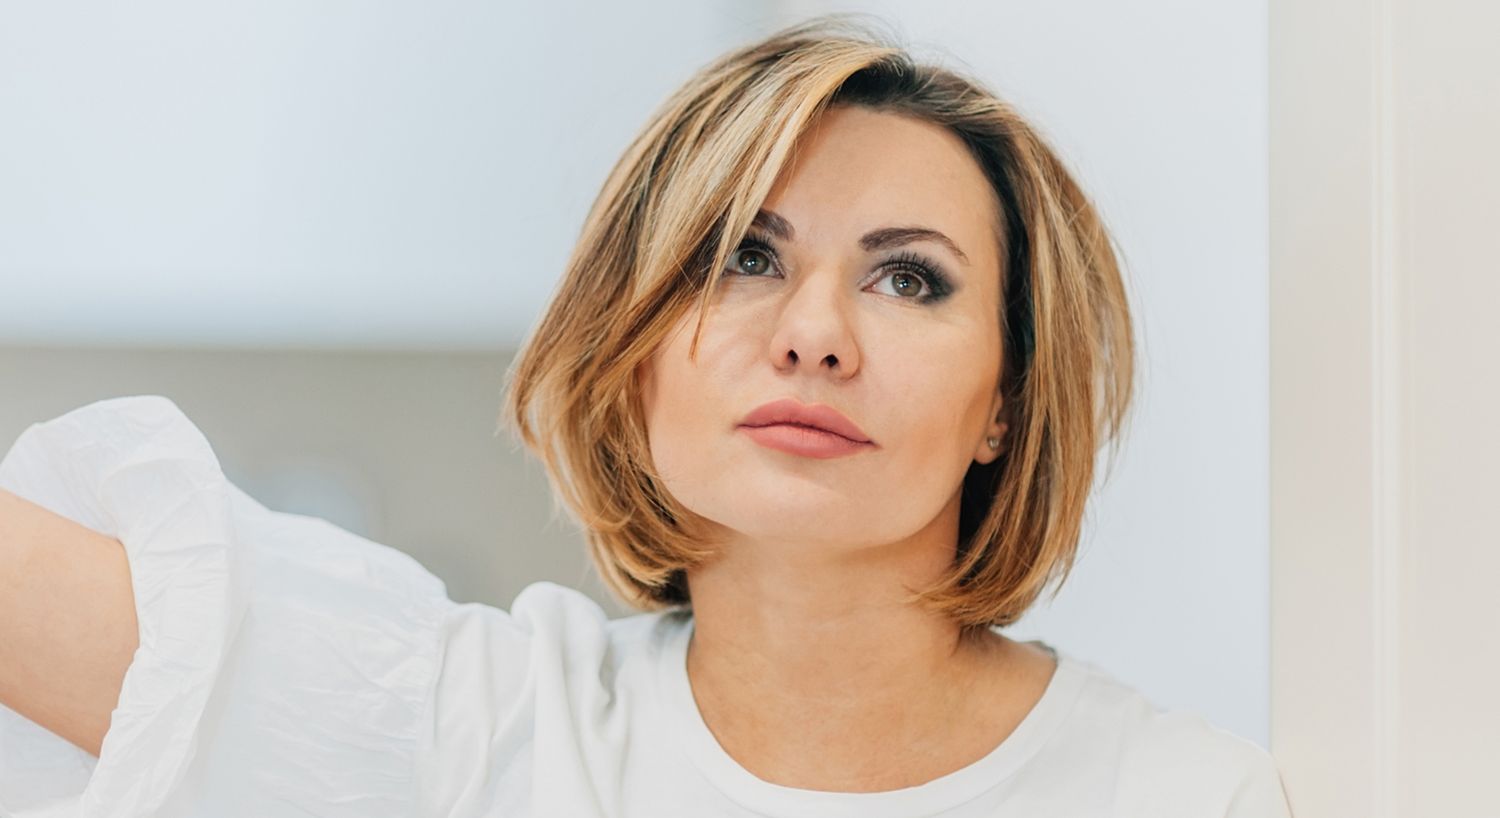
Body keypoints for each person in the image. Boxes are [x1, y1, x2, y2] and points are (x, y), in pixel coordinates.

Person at [0, 15, 1293, 818]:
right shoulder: (479, 731)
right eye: (743, 255)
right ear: (634, 355)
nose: (815, 329)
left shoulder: (1184, 797)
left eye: (910, 277)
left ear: (1004, 403)